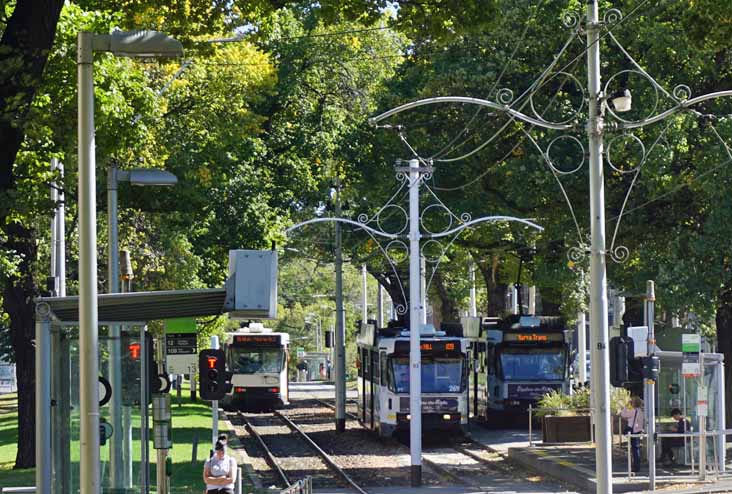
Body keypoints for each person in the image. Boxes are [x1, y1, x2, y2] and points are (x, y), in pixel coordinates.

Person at [620, 396, 645, 473]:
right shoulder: (641, 411)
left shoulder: (633, 411)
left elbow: (623, 414)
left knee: (634, 449)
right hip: (638, 430)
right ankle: (636, 466)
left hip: (633, 431)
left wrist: (627, 405)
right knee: (636, 449)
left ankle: (636, 466)